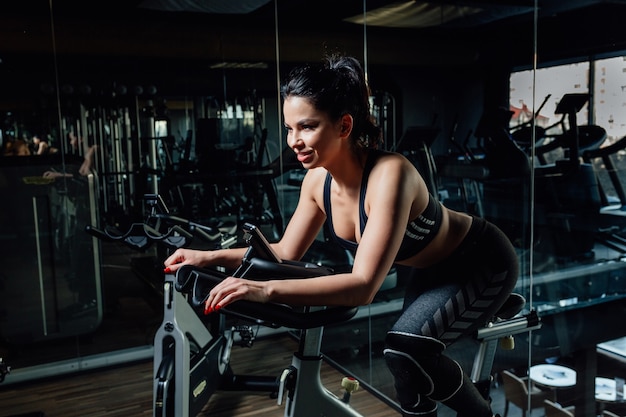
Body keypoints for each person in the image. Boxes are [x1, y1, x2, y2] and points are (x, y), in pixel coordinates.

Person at [163, 53, 517, 417]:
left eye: (307, 127)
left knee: (407, 350)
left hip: (479, 260)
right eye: (289, 128)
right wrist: (207, 256)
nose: (294, 141)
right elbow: (284, 251)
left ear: (344, 126)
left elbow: (363, 286)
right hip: (431, 271)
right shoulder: (317, 182)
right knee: (405, 369)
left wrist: (264, 290)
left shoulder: (390, 175)